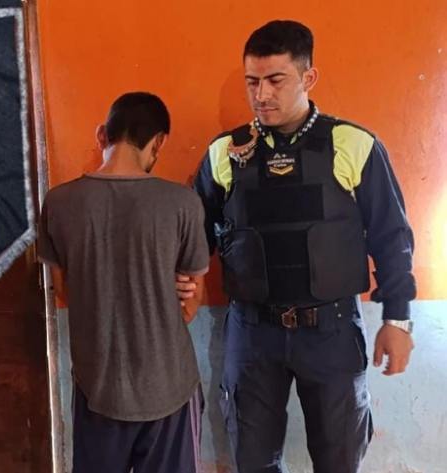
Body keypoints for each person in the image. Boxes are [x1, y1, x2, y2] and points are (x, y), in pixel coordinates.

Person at [177, 20, 416, 473]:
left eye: (275, 80)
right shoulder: (225, 152)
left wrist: (398, 320)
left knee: (339, 458)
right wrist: (187, 280)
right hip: (252, 331)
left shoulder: (352, 144)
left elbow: (392, 237)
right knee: (252, 460)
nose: (261, 94)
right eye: (252, 82)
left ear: (308, 77)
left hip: (331, 328)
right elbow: (196, 234)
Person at [37, 92, 210, 473]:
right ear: (159, 142)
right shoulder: (182, 203)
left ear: (102, 135)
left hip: (98, 389)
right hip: (169, 390)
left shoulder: (59, 203)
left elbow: (63, 291)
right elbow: (189, 306)